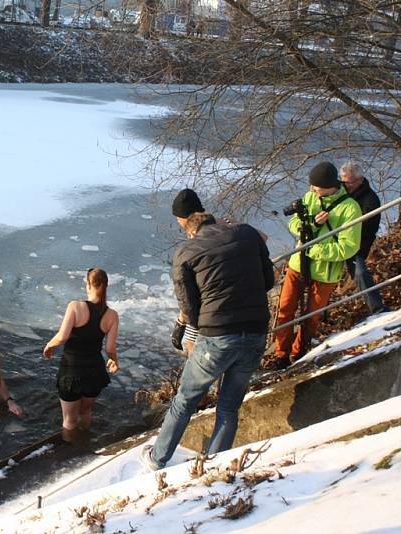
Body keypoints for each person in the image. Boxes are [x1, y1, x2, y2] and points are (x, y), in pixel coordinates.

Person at [141, 212, 274, 471]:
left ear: (191, 232)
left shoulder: (186, 252)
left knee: (185, 401)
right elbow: (268, 281)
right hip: (256, 331)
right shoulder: (247, 233)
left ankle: (157, 459)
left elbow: (189, 309)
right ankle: (214, 466)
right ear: (215, 224)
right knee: (229, 407)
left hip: (217, 336)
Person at [274, 162, 362, 365]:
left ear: (330, 185)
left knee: (311, 317)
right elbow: (294, 224)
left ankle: (298, 353)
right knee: (285, 310)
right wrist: (312, 223)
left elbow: (348, 247)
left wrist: (313, 249)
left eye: (316, 186)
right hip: (298, 264)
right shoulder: (310, 196)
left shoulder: (350, 208)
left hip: (325, 273)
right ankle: (281, 353)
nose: (313, 190)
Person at [169, 188, 268, 356]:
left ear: (184, 217)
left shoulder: (207, 230)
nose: (178, 221)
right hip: (234, 302)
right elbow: (262, 238)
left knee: (195, 350)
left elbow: (190, 292)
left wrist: (182, 323)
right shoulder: (215, 223)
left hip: (214, 305)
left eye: (178, 217)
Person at [43, 268, 119, 434]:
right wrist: (114, 361)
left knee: (69, 420)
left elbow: (63, 336)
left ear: (88, 284)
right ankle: (85, 442)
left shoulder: (75, 306)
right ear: (106, 286)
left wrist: (49, 345)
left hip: (71, 371)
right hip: (94, 372)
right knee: (86, 412)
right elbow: (110, 348)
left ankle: (71, 452)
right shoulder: (112, 315)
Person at [340, 161, 388, 315]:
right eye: (343, 182)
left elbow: (365, 225)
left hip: (360, 242)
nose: (345, 186)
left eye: (349, 183)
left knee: (359, 272)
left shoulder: (371, 199)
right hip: (339, 241)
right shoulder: (341, 191)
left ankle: (378, 308)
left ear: (360, 180)